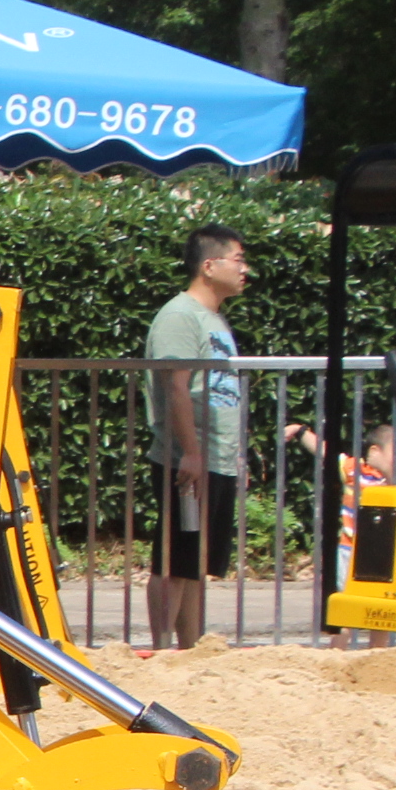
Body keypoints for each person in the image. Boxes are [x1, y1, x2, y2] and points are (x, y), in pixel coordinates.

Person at [144, 225, 251, 649]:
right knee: (176, 556)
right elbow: (175, 384)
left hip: (215, 457)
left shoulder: (214, 319)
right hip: (186, 458)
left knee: (196, 561)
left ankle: (189, 650)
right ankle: (162, 648)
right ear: (210, 266)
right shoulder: (179, 316)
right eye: (239, 260)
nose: (246, 270)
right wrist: (190, 452)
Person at [282, 417, 396, 644]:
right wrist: (300, 431)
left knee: (382, 613)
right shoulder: (354, 470)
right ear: (375, 451)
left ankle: (377, 657)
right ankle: (337, 655)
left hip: (383, 555)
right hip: (350, 549)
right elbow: (325, 453)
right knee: (347, 611)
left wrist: (387, 470)